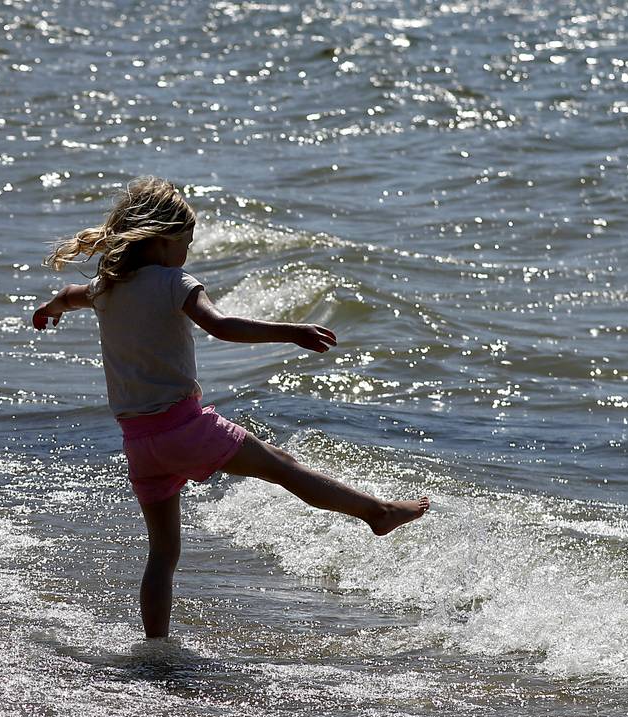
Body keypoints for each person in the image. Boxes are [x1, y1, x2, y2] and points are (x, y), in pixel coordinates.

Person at [30, 176, 430, 639]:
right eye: (187, 242)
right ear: (163, 240)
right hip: (185, 428)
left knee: (162, 554)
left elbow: (66, 297)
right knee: (284, 467)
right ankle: (377, 513)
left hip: (140, 443)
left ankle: (156, 645)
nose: (189, 251)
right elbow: (220, 325)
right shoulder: (173, 281)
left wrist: (49, 309)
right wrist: (291, 332)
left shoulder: (105, 288)